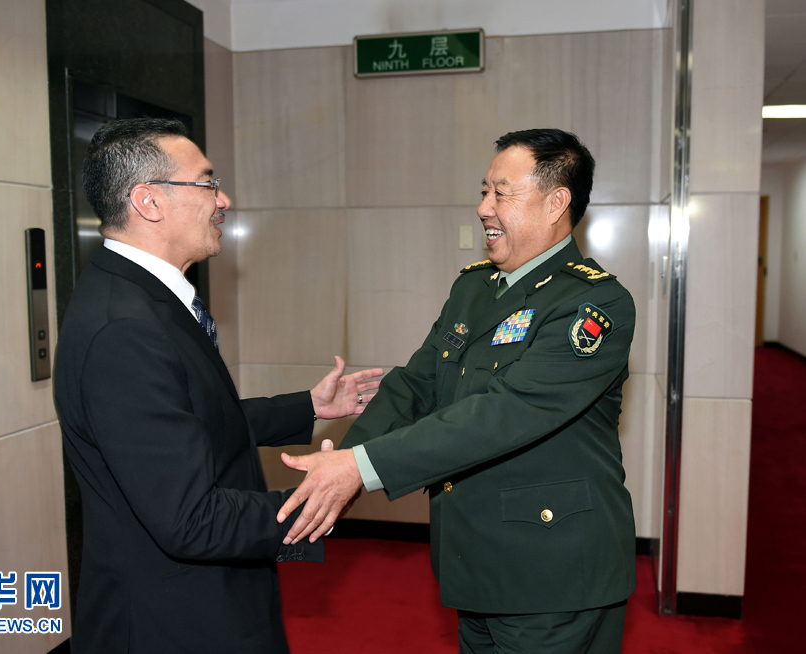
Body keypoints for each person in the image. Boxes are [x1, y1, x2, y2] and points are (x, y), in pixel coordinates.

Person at [277, 129, 637, 653]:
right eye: (484, 191)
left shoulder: (594, 305)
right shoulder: (474, 286)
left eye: (501, 193)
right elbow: (418, 382)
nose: (483, 207)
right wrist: (348, 459)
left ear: (556, 203)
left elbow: (505, 412)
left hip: (553, 575)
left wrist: (361, 468)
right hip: (476, 561)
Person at [53, 117, 382, 654]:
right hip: (173, 624)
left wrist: (307, 408)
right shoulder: (125, 329)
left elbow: (186, 420)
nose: (223, 199)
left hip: (203, 601)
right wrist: (317, 501)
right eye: (208, 183)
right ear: (148, 201)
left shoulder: (141, 297)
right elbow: (189, 519)